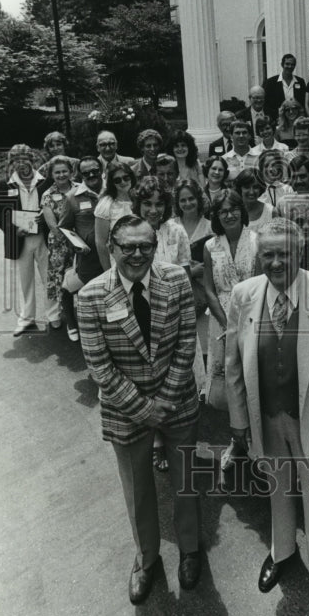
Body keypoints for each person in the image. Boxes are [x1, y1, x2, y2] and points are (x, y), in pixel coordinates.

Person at [225, 218, 309, 609]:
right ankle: (281, 551)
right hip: (267, 416)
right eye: (268, 254)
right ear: (259, 256)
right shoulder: (243, 295)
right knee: (277, 487)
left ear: (299, 252)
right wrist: (239, 421)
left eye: (284, 253)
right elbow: (233, 366)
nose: (276, 262)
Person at [78, 215, 202, 602]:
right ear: (111, 248)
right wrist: (143, 409)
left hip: (177, 399)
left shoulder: (176, 279)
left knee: (187, 482)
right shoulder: (91, 296)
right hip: (125, 409)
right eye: (127, 247)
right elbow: (99, 366)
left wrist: (165, 399)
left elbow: (187, 341)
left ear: (155, 247)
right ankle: (146, 558)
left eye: (145, 246)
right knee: (137, 489)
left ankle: (191, 549)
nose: (137, 254)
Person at [131, 176, 194, 472]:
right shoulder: (129, 230)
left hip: (173, 312)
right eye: (147, 203)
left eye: (159, 204)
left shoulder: (176, 230)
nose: (154, 210)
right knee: (148, 378)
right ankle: (156, 440)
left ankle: (175, 433)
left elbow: (185, 271)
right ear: (138, 204)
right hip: (141, 311)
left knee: (174, 374)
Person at [203, 190, 259, 470]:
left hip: (254, 318)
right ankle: (237, 441)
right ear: (216, 216)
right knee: (230, 384)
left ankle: (258, 443)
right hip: (221, 320)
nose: (229, 215)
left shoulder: (257, 240)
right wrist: (227, 324)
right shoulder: (210, 246)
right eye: (222, 211)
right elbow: (209, 289)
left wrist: (243, 324)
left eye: (233, 209)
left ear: (242, 210)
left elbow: (262, 284)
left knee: (253, 381)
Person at [0, 144, 52, 336]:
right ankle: (27, 319)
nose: (20, 163)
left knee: (50, 277)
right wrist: (13, 230)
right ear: (11, 163)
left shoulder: (45, 182)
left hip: (43, 238)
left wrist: (47, 220)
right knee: (25, 281)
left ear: (31, 160)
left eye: (24, 158)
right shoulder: (5, 184)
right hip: (20, 240)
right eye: (16, 160)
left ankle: (54, 315)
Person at [57, 155, 105, 342]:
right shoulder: (72, 197)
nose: (91, 175)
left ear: (101, 170)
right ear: (80, 175)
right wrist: (76, 244)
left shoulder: (113, 190)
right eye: (86, 173)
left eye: (95, 171)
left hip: (114, 253)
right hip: (90, 257)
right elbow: (64, 227)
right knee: (82, 289)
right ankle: (72, 321)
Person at [173, 179, 213, 388]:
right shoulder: (171, 226)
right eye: (183, 200)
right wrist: (189, 270)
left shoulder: (209, 226)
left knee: (203, 344)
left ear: (199, 199)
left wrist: (200, 270)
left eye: (191, 199)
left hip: (202, 293)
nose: (187, 203)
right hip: (177, 292)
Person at [39, 156, 77, 333]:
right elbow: (53, 226)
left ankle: (79, 313)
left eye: (64, 171)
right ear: (52, 175)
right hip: (60, 243)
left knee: (79, 276)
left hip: (81, 241)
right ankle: (56, 316)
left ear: (71, 172)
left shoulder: (79, 189)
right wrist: (72, 240)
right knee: (58, 278)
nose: (61, 175)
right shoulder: (47, 195)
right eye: (57, 172)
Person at [94, 162, 137, 272]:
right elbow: (101, 244)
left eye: (126, 178)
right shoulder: (106, 204)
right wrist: (108, 272)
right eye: (117, 180)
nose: (123, 182)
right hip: (119, 260)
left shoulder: (139, 198)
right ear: (112, 183)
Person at [263, 53, 307, 118]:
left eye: (292, 64)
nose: (290, 66)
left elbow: (304, 102)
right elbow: (266, 103)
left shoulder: (300, 81)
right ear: (282, 64)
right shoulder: (270, 82)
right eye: (287, 64)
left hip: (296, 118)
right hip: (278, 119)